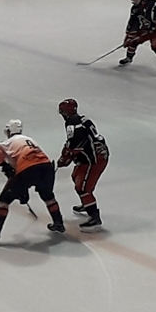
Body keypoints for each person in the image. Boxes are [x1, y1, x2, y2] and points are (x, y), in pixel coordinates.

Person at [0, 120, 65, 241]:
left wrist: (4, 166)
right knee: (48, 196)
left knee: (4, 200)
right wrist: (22, 189)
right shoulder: (29, 139)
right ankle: (58, 223)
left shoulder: (7, 142)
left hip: (28, 168)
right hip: (46, 167)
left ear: (8, 131)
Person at [56, 99, 109, 230]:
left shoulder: (72, 125)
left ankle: (94, 216)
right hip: (95, 154)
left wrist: (64, 159)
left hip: (94, 159)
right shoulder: (83, 119)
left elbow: (74, 145)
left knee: (83, 188)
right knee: (76, 176)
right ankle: (87, 204)